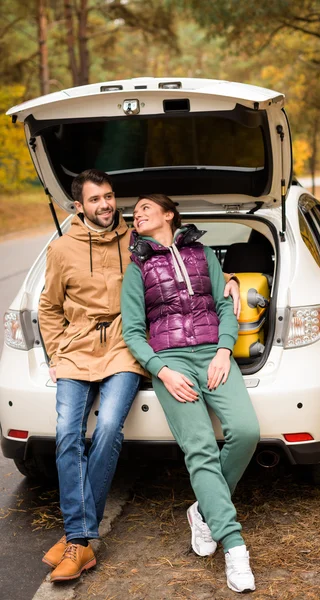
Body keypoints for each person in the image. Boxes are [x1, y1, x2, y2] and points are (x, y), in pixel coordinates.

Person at [38, 170, 240, 583]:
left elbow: (182, 258)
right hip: (76, 350)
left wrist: (230, 279)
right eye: (95, 200)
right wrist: (57, 353)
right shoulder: (60, 249)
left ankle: (76, 540)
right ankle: (80, 534)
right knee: (66, 434)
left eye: (110, 197)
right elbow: (48, 306)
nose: (105, 205)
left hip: (123, 348)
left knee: (110, 427)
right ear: (79, 207)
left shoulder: (133, 237)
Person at [121, 194, 260, 593]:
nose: (139, 213)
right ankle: (235, 548)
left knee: (246, 431)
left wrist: (222, 351)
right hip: (171, 361)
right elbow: (133, 331)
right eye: (136, 212)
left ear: (169, 215)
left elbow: (222, 305)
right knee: (199, 446)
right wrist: (162, 371)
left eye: (147, 208)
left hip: (213, 354)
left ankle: (203, 511)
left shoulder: (202, 255)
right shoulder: (137, 268)